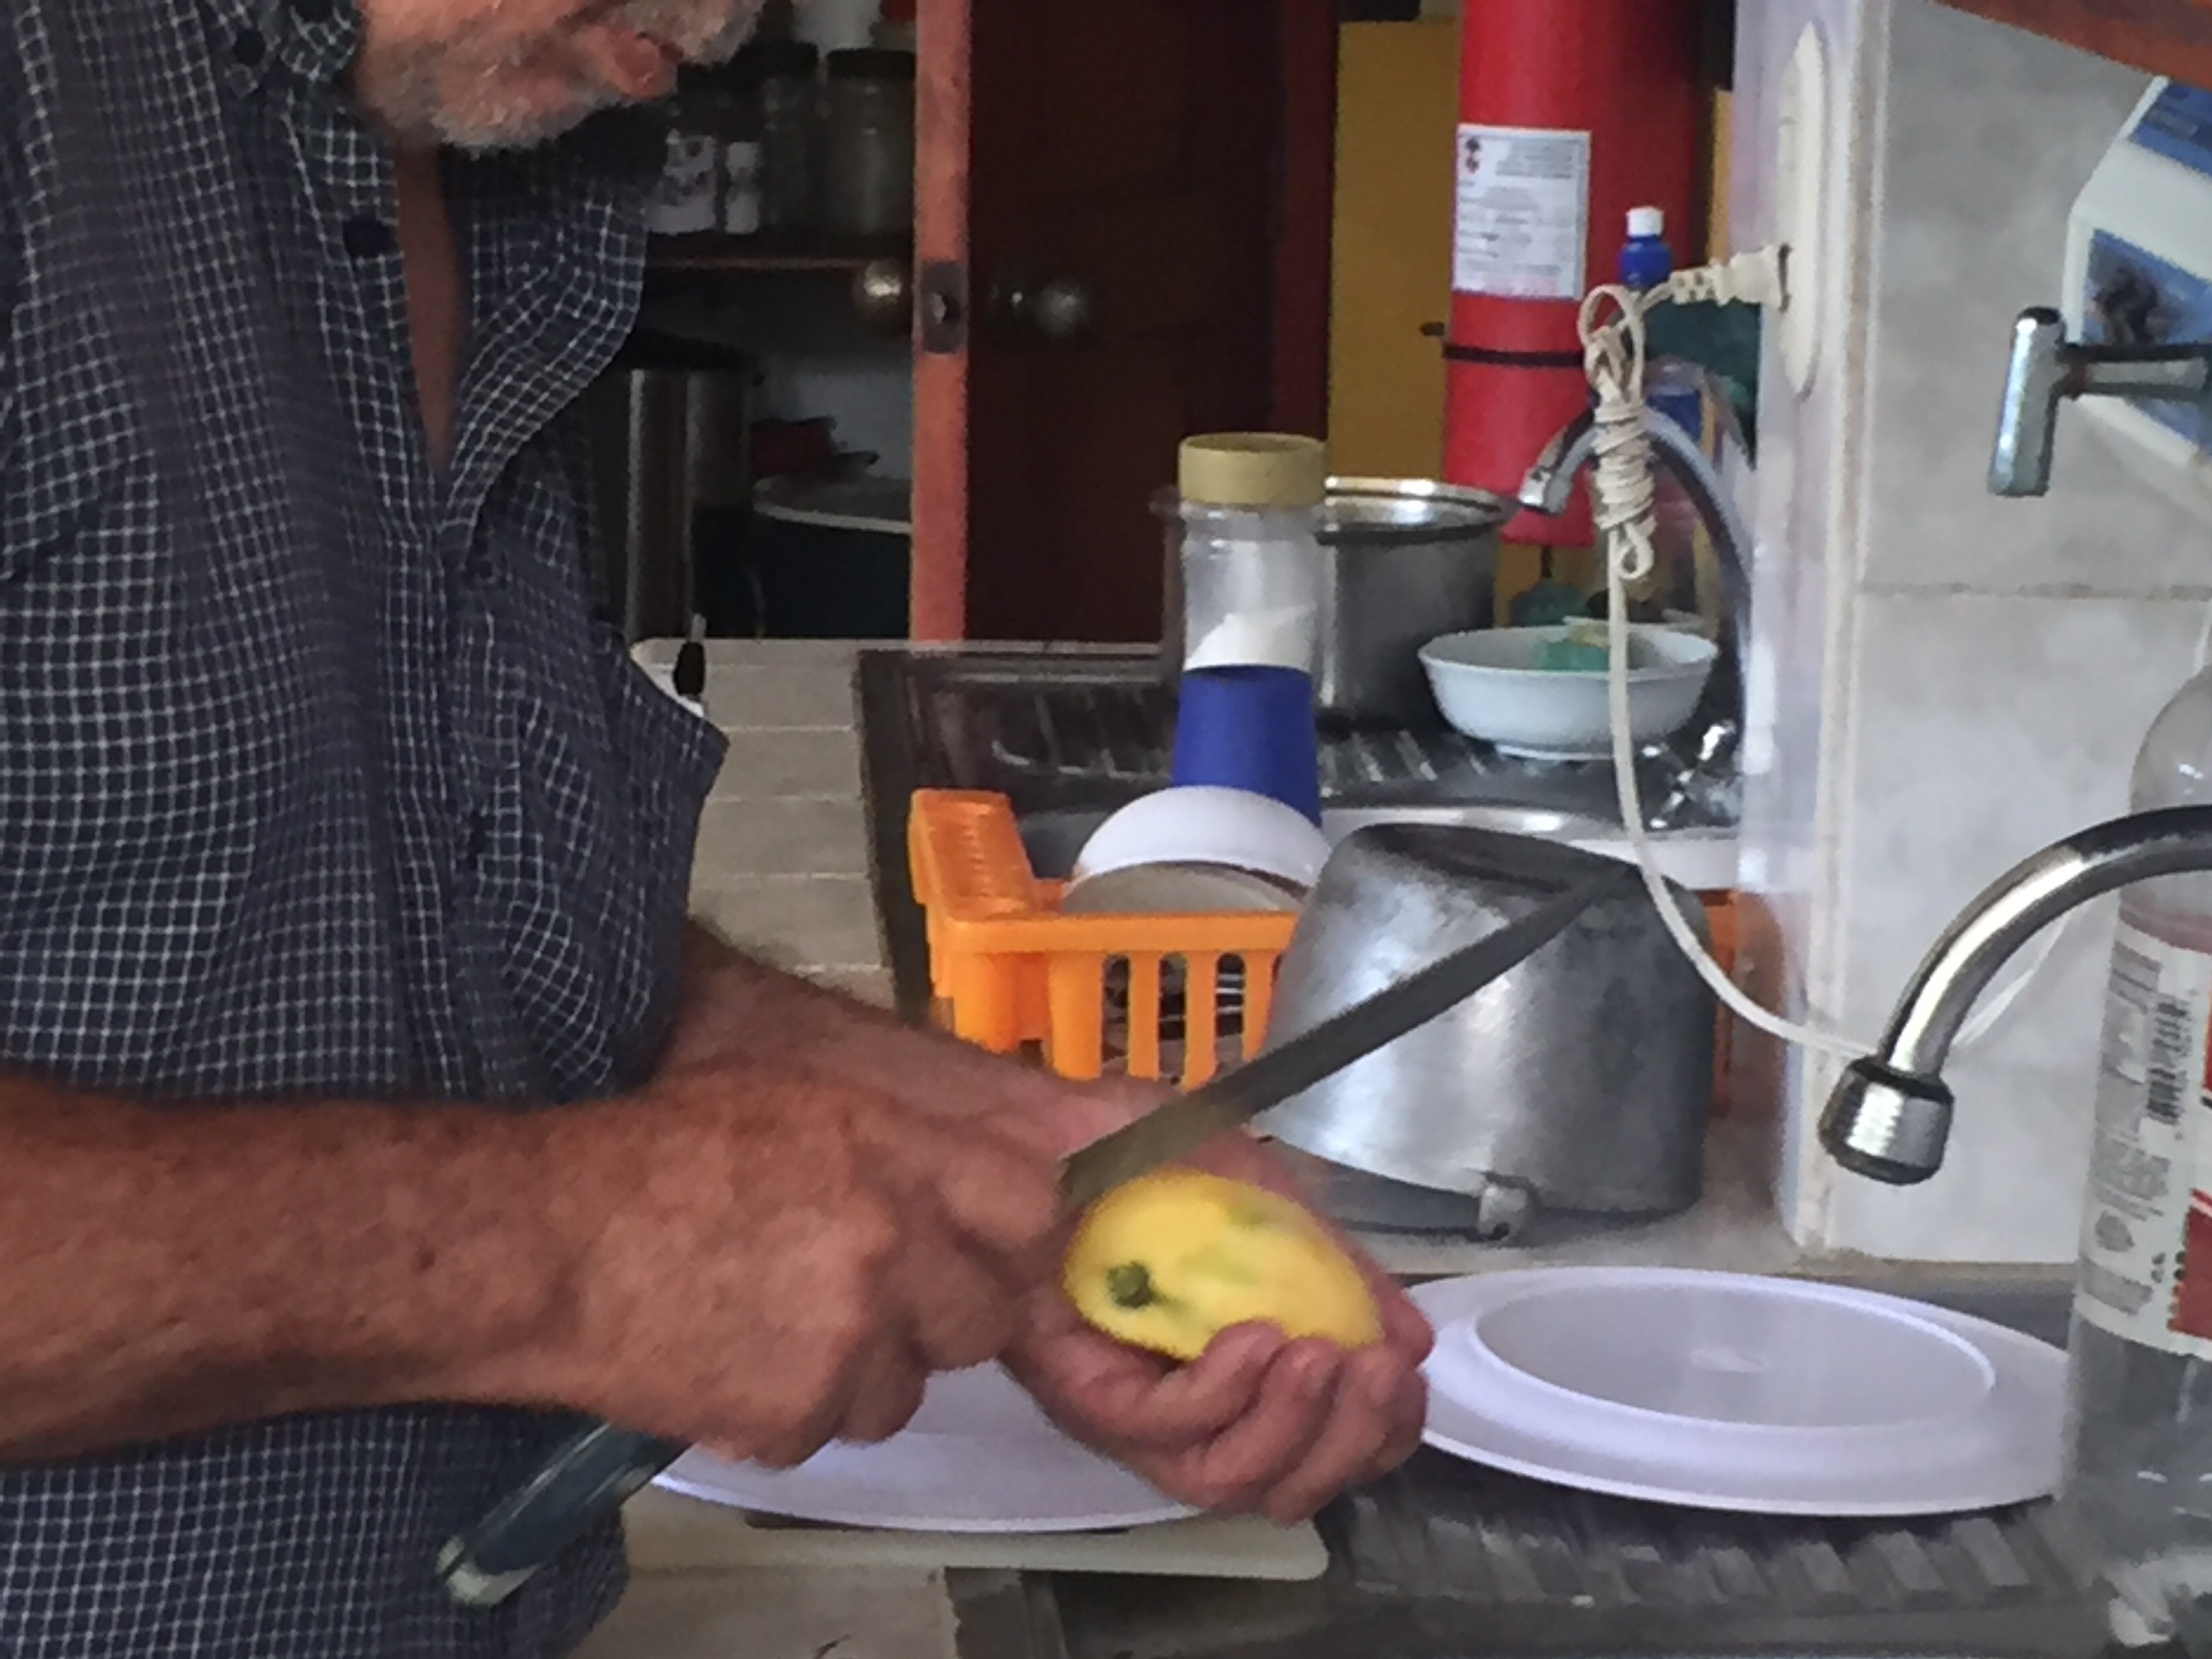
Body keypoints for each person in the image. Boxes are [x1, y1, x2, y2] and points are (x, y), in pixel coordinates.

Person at [0, 0, 1431, 1654]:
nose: (730, 26)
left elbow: (434, 895)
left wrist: (1014, 1157)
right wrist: (565, 1256)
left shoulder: (509, 154)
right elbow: (554, 1220)